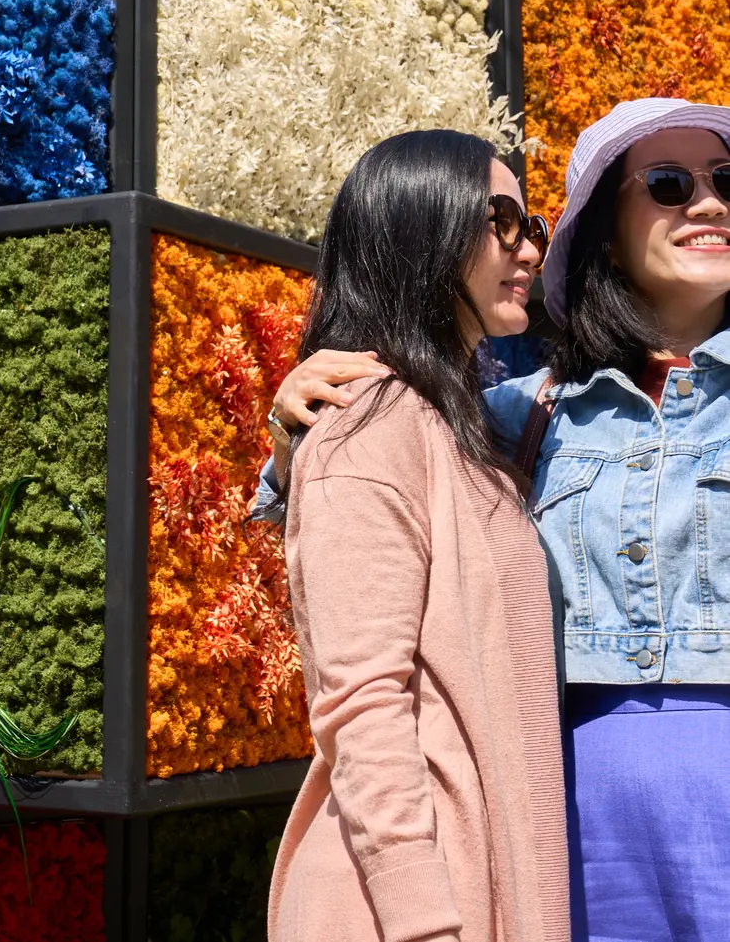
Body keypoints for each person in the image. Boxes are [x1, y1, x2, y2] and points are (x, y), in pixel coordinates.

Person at [266, 97, 730, 942]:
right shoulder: (518, 416)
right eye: (667, 182)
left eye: (727, 181)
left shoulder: (470, 422)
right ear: (605, 232)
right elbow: (359, 568)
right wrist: (298, 429)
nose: (708, 202)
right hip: (562, 820)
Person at [265, 128, 568, 942]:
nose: (529, 247)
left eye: (532, 225)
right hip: (412, 910)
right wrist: (422, 919)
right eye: (501, 219)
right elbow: (361, 703)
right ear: (418, 226)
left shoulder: (448, 425)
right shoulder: (373, 425)